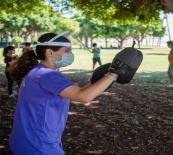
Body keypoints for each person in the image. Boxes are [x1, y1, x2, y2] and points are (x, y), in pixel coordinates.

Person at [8, 32, 142, 155]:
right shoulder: (48, 75)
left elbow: (72, 93)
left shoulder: (38, 71)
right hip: (38, 145)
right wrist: (114, 73)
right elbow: (84, 97)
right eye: (67, 50)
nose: (71, 53)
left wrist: (92, 82)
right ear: (50, 52)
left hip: (26, 140)